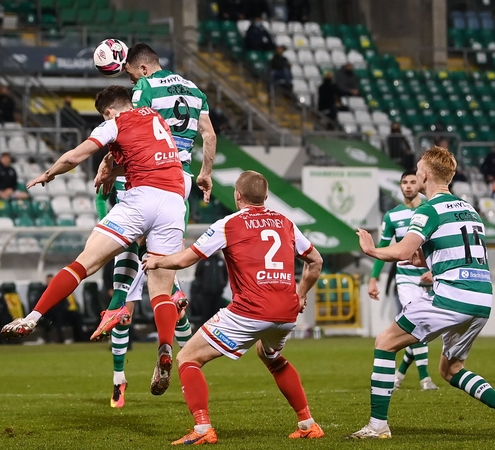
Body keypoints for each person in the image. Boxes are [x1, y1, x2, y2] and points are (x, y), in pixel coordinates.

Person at [2, 86, 189, 399]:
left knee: (84, 263)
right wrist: (114, 170)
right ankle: (165, 349)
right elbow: (149, 159)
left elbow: (75, 156)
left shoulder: (114, 123)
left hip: (141, 199)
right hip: (173, 201)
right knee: (161, 290)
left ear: (109, 111)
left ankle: (32, 318)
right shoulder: (156, 117)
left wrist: (49, 174)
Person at [351, 146, 495, 438]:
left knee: (385, 342)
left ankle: (377, 426)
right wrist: (428, 261)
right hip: (482, 299)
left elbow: (402, 250)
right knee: (451, 369)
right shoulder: (470, 209)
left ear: (425, 175)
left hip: (453, 296)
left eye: (418, 170)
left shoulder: (428, 209)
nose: (416, 175)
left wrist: (372, 250)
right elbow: (465, 253)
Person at [143, 170, 325, 445]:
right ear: (265, 196)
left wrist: (157, 261)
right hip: (287, 311)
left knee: (188, 357)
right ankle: (308, 423)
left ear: (237, 196)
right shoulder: (285, 222)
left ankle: (203, 428)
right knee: (271, 356)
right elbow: (316, 261)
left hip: (250, 310)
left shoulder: (229, 224)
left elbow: (185, 260)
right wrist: (300, 295)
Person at [91, 43, 217, 408]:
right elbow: (209, 136)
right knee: (163, 274)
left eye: (131, 75)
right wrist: (205, 173)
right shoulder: (195, 90)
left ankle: (119, 371)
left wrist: (109, 164)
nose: (131, 81)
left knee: (124, 276)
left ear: (143, 69)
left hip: (148, 177)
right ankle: (180, 350)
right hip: (181, 183)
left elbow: (134, 129)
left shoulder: (145, 89)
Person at [368, 170, 438, 391]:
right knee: (417, 322)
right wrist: (373, 278)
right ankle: (425, 379)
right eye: (404, 182)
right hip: (406, 278)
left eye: (412, 181)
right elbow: (383, 248)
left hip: (431, 278)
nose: (408, 186)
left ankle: (399, 374)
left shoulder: (432, 210)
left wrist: (434, 271)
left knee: (424, 329)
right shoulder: (392, 216)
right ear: (400, 186)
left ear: (420, 183)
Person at [190, 252, 228, 328]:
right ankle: (204, 330)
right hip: (205, 294)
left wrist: (222, 285)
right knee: (205, 313)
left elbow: (225, 275)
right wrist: (202, 286)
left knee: (216, 314)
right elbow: (198, 275)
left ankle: (216, 330)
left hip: (218, 294)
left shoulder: (221, 261)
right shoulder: (203, 261)